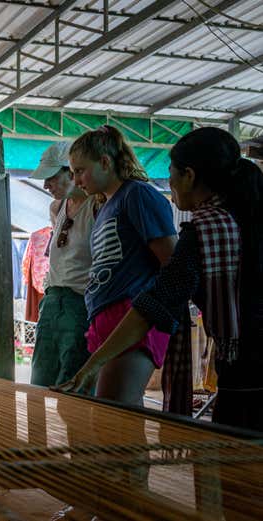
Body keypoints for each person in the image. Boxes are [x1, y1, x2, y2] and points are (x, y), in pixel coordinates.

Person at [59, 127, 263, 431]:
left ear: (189, 176)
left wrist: (94, 364)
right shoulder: (243, 222)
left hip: (248, 375)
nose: (169, 184)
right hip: (247, 369)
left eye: (171, 174)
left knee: (239, 464)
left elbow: (157, 300)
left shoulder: (203, 233)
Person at [62, 125, 177, 406]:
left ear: (105, 162)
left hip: (132, 316)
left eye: (80, 170)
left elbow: (172, 264)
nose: (76, 180)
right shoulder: (105, 205)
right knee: (112, 413)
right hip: (108, 316)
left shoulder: (137, 195)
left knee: (117, 409)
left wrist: (144, 315)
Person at [28, 141, 96, 388]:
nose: (46, 185)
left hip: (80, 304)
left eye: (52, 178)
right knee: (39, 383)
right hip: (52, 301)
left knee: (73, 387)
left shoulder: (98, 206)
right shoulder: (57, 208)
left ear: (73, 172)